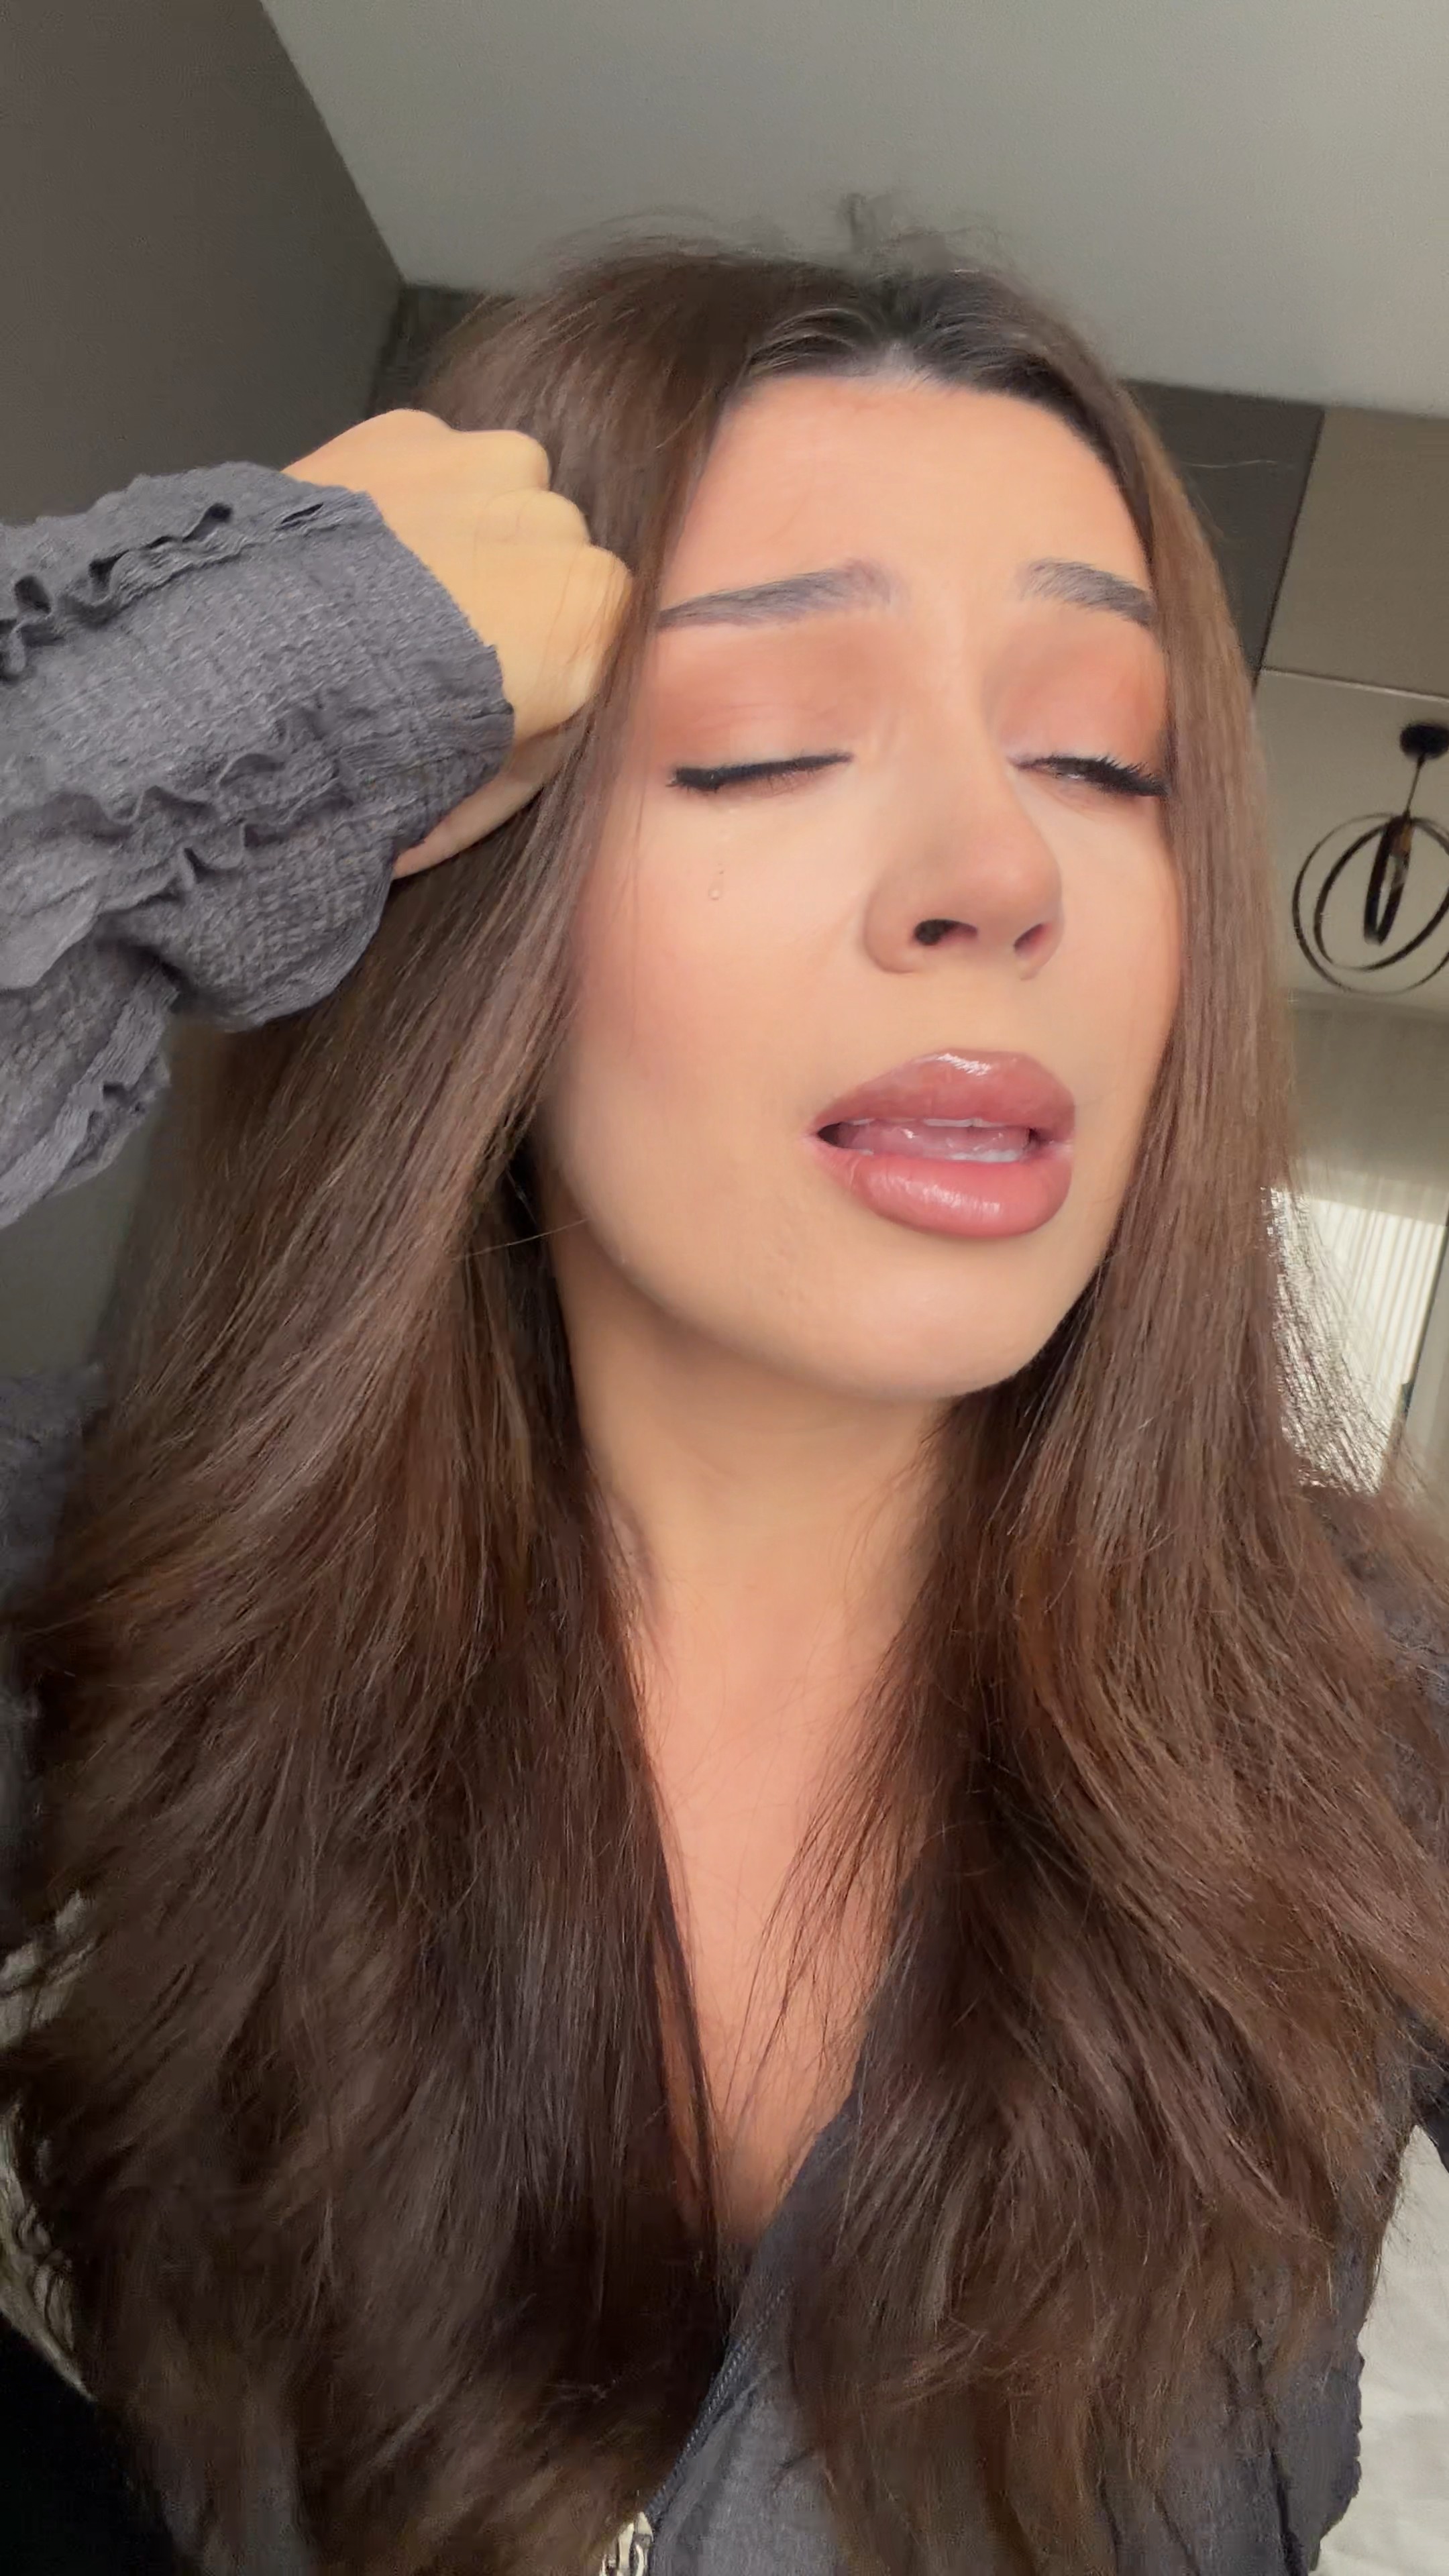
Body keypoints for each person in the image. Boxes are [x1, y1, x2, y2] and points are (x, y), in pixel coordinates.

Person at [0, 241, 1446, 2576]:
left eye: (1109, 761)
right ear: (475, 888)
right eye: (768, 740)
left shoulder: (1377, 1720)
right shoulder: (89, 1603)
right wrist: (265, 656)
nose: (1003, 875)